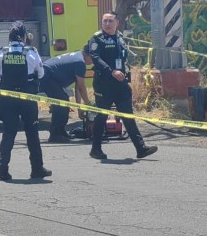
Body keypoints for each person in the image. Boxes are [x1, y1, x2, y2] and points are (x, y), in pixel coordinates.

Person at [87, 12, 158, 160]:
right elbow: (95, 58)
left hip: (121, 83)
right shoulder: (97, 38)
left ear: (117, 22)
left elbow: (123, 57)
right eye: (104, 21)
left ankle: (140, 148)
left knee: (128, 114)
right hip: (104, 83)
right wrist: (111, 71)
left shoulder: (120, 37)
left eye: (110, 21)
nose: (107, 24)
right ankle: (96, 149)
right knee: (102, 116)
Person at [0, 22, 52, 181]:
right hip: (27, 99)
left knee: (8, 133)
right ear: (24, 37)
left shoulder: (0, 54)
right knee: (32, 133)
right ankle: (37, 168)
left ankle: (1, 168)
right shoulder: (31, 53)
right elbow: (41, 75)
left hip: (8, 99)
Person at [40, 46, 93, 142]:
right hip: (47, 76)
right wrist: (88, 104)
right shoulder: (80, 62)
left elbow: (78, 87)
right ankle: (55, 134)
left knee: (64, 101)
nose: (93, 61)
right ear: (87, 55)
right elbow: (81, 87)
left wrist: (80, 108)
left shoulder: (78, 57)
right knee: (62, 103)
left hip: (49, 75)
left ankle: (61, 131)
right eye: (92, 58)